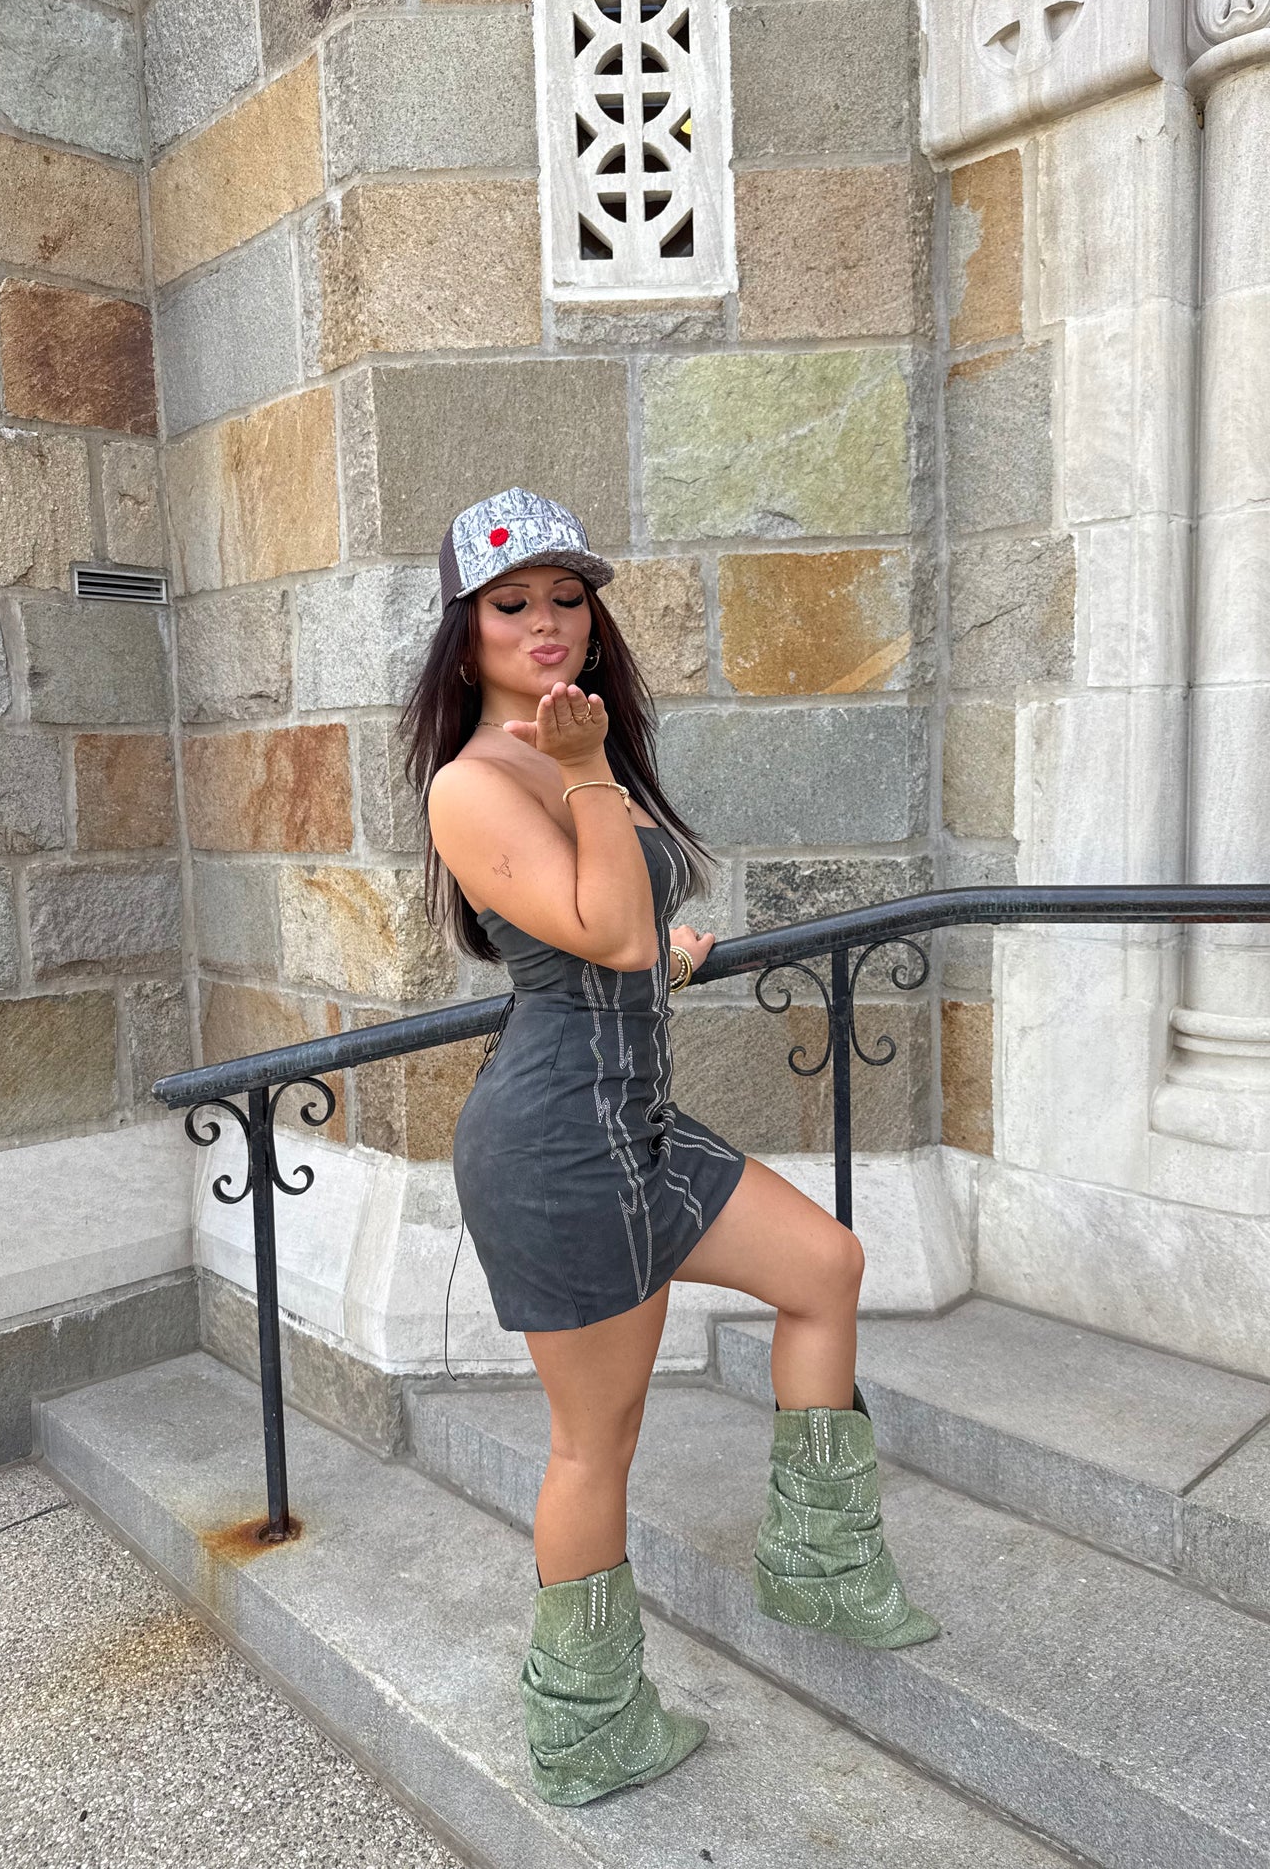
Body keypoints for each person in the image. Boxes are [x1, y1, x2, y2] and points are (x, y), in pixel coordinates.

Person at [401, 487, 938, 1809]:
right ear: (465, 634)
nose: (546, 624)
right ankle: (586, 1728)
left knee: (826, 1264)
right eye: (511, 604)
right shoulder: (475, 782)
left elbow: (626, 933)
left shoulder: (573, 746)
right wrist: (590, 784)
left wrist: (671, 954)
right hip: (554, 1147)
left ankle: (819, 1568)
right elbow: (610, 930)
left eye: (566, 600)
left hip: (635, 1118)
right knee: (597, 1443)